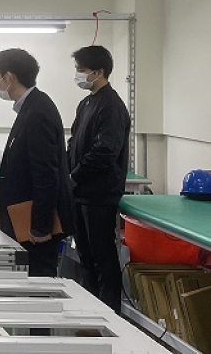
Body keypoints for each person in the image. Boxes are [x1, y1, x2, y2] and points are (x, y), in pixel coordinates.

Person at [0, 48, 74, 277]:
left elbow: (45, 174)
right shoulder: (30, 107)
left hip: (34, 224)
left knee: (39, 278)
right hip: (24, 219)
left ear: (9, 77)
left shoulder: (38, 112)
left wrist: (40, 226)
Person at [68, 45, 130, 312]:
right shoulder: (86, 103)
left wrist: (75, 175)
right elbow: (74, 143)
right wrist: (67, 172)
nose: (78, 75)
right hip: (81, 193)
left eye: (82, 70)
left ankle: (108, 315)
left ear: (99, 71)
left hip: (100, 195)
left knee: (102, 257)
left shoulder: (111, 106)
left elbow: (105, 151)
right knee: (85, 256)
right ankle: (90, 312)